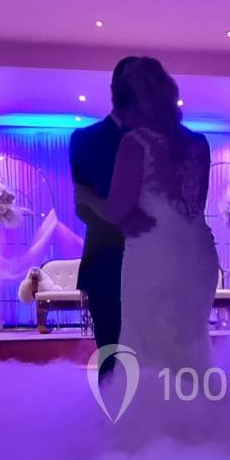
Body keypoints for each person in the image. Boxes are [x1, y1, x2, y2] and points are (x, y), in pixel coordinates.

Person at [75, 57, 218, 373]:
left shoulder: (135, 143)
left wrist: (86, 196)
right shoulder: (199, 143)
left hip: (155, 254)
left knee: (148, 349)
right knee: (191, 344)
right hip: (199, 254)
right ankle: (199, 417)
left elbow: (115, 210)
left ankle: (155, 421)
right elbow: (195, 205)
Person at [70, 57, 144, 376]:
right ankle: (114, 422)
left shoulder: (156, 142)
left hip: (153, 265)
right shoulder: (85, 139)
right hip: (106, 262)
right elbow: (82, 208)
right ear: (115, 89)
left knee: (153, 360)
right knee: (112, 357)